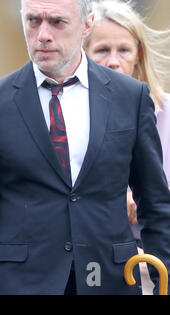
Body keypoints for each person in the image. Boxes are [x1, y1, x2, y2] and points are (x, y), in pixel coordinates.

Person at [0, 0, 170, 295]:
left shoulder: (130, 97)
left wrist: (164, 285)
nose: (43, 34)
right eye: (33, 20)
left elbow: (155, 205)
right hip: (22, 285)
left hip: (111, 281)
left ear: (87, 25)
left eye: (57, 22)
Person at [83, 0, 170, 294]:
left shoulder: (166, 114)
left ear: (138, 55)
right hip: (100, 270)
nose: (113, 61)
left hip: (162, 266)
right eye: (102, 50)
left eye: (123, 50)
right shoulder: (71, 119)